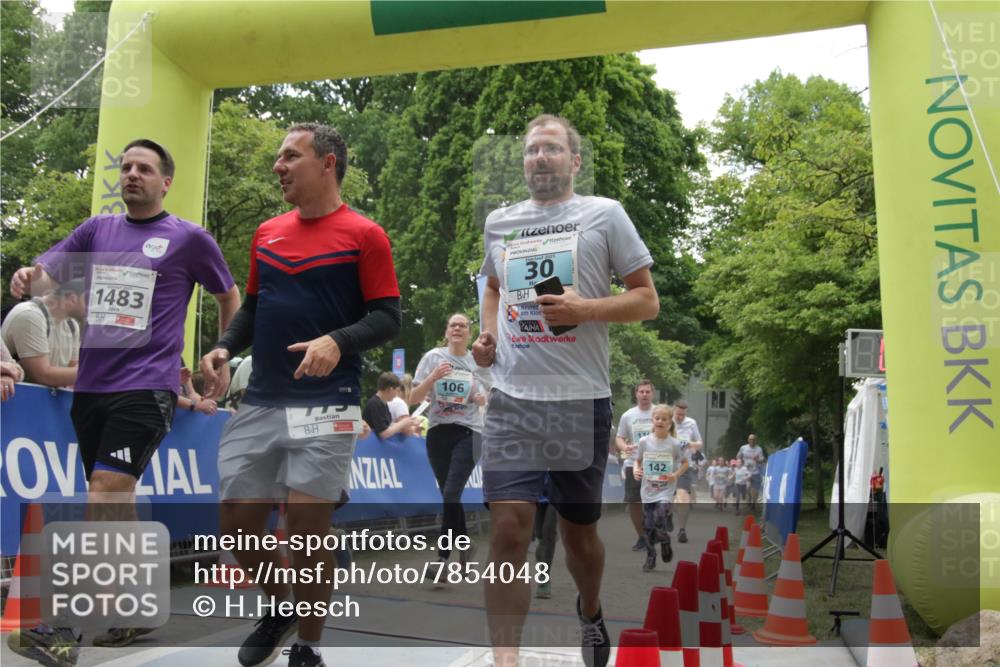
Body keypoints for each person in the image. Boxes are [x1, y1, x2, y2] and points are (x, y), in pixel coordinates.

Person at [7, 138, 240, 666]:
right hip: (91, 389)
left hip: (148, 387)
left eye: (145, 168)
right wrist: (29, 273)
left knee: (102, 491)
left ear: (165, 182)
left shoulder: (188, 239)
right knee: (116, 504)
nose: (132, 174)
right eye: (126, 167)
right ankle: (135, 605)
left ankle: (62, 628)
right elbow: (52, 269)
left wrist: (221, 353)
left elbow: (228, 294)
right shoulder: (99, 229)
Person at [200, 123, 402, 667]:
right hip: (260, 401)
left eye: (291, 155)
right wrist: (223, 347)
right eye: (278, 157)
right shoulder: (267, 232)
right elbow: (252, 306)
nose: (278, 166)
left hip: (327, 403)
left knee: (309, 534)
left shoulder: (366, 234)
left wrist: (338, 341)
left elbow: (388, 316)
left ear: (328, 163)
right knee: (238, 531)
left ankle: (309, 648)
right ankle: (280, 608)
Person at [473, 114, 659, 667]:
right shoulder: (500, 223)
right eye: (532, 150)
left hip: (579, 400)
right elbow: (492, 284)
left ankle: (591, 608)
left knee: (580, 539)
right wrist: (487, 335)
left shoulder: (604, 215)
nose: (540, 159)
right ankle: (506, 658)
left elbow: (646, 300)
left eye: (552, 150)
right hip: (512, 401)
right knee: (508, 529)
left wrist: (585, 308)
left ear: (574, 162)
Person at [409, 313, 489, 569]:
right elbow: (412, 398)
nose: (457, 328)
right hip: (438, 433)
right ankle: (466, 545)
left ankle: (442, 559)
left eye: (462, 325)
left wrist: (481, 399)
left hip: (469, 432)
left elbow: (489, 396)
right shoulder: (433, 357)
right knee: (448, 495)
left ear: (469, 333)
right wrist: (433, 377)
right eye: (453, 325)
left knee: (452, 492)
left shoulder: (477, 363)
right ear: (446, 331)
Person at [1, 278, 85, 387]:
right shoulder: (30, 315)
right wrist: (95, 371)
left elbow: (73, 370)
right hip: (18, 400)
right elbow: (43, 376)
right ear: (72, 299)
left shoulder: (71, 325)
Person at [633, 404, 687, 572]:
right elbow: (638, 460)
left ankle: (664, 541)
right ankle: (651, 556)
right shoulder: (644, 441)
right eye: (657, 418)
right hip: (648, 490)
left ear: (670, 422)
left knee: (658, 518)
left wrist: (675, 475)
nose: (660, 421)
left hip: (665, 490)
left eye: (664, 419)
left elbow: (685, 463)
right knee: (648, 526)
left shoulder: (674, 444)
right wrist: (636, 470)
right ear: (652, 420)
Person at [614, 380, 655, 552]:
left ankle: (659, 524)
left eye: (648, 391)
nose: (644, 394)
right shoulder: (628, 415)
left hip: (656, 462)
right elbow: (619, 438)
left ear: (652, 393)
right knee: (634, 501)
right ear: (636, 394)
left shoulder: (660, 412)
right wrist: (624, 447)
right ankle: (642, 536)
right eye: (641, 392)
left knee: (655, 500)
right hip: (634, 463)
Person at [670, 400, 703, 543]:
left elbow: (699, 443)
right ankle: (667, 515)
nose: (680, 417)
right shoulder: (665, 420)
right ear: (673, 411)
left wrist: (689, 444)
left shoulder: (691, 423)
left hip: (684, 465)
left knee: (682, 495)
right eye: (678, 414)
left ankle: (682, 530)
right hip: (666, 464)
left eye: (683, 415)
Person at [363, 371, 419, 440]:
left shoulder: (382, 403)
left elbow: (388, 425)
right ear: (390, 389)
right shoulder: (375, 404)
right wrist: (403, 423)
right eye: (397, 390)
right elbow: (383, 433)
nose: (397, 394)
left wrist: (408, 423)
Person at [738, 434, 766, 510]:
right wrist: (740, 465)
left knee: (755, 490)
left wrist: (757, 459)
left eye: (753, 439)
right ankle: (749, 498)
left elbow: (762, 460)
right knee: (747, 488)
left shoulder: (759, 449)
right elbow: (738, 457)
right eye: (750, 439)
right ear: (748, 440)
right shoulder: (743, 448)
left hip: (755, 472)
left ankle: (754, 503)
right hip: (746, 472)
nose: (752, 441)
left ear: (756, 440)